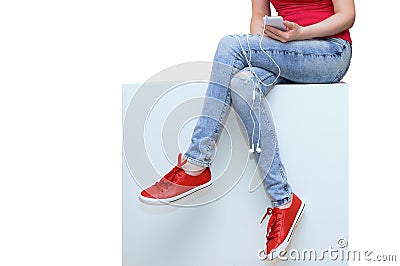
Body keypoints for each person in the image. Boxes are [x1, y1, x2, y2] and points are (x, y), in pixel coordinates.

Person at [139, 0, 355, 260]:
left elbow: (347, 15)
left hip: (329, 53)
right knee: (242, 84)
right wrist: (262, 46)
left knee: (229, 46)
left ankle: (196, 163)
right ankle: (283, 201)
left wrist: (300, 34)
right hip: (286, 53)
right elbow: (259, 17)